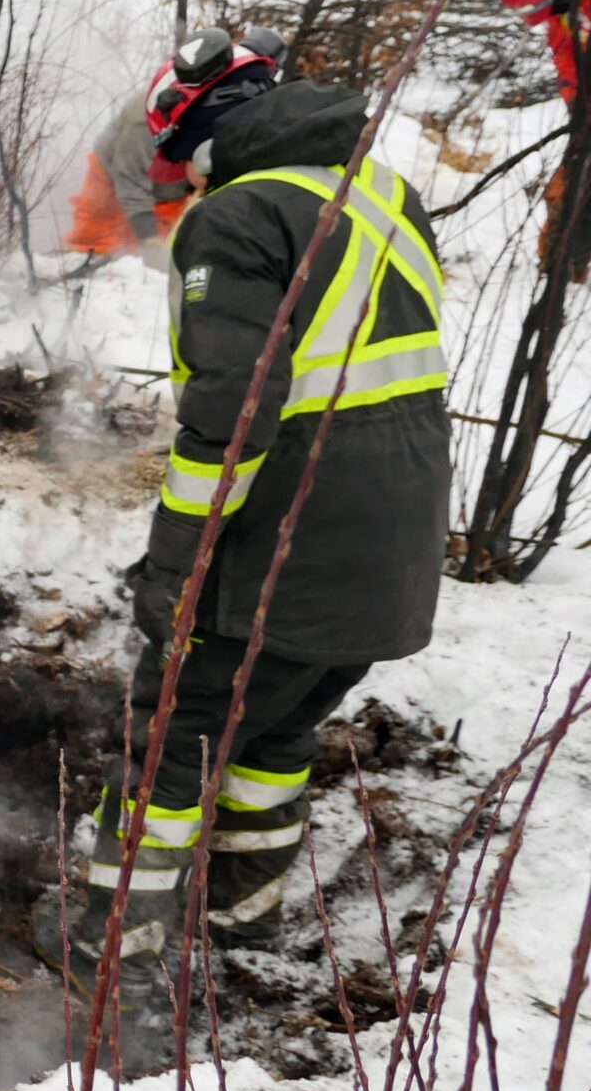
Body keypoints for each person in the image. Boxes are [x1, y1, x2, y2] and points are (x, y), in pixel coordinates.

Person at [43, 77, 451, 988]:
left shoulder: (236, 216)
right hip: (396, 534)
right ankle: (239, 920)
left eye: (176, 158)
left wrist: (176, 566)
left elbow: (229, 421)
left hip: (292, 535)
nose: (176, 178)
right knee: (274, 732)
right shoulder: (377, 190)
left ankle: (111, 947)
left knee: (175, 735)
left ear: (201, 137)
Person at [65, 26, 285, 269]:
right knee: (97, 241)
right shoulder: (146, 119)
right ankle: (83, 278)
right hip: (113, 180)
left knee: (163, 256)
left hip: (174, 190)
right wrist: (148, 240)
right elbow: (129, 180)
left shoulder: (236, 94)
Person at [502, 0, 590, 278]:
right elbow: (567, 60)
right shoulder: (563, 14)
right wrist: (577, 105)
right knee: (570, 188)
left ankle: (565, 263)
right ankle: (562, 265)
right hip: (585, 109)